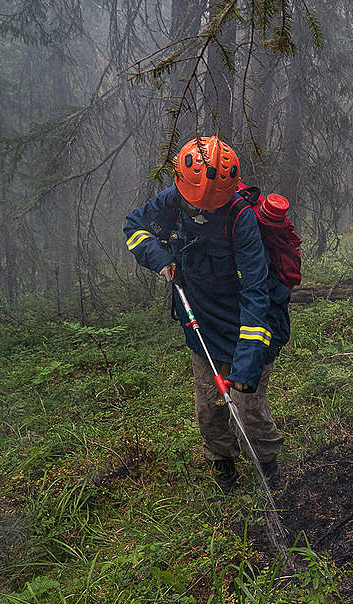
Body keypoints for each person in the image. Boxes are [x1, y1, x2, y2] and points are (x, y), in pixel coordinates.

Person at [123, 136, 291, 494]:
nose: (204, 208)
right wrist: (160, 258)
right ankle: (223, 466)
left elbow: (256, 293)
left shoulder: (241, 218)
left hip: (249, 322)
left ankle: (267, 468)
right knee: (209, 405)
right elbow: (134, 228)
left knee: (247, 405)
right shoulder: (172, 201)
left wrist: (246, 365)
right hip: (202, 323)